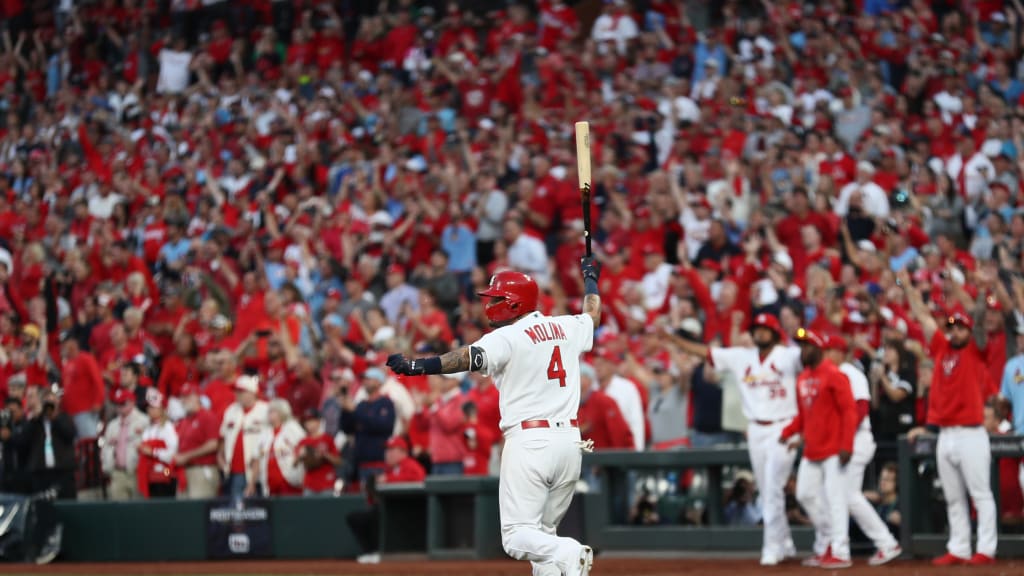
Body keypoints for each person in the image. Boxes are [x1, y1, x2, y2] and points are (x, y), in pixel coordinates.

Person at [387, 263, 602, 576]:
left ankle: (570, 552)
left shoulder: (508, 337)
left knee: (517, 537)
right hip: (570, 443)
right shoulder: (566, 326)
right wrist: (591, 281)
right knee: (543, 537)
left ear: (514, 303)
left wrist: (418, 366)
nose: (489, 304)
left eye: (497, 299)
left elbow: (464, 358)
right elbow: (592, 314)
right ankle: (562, 556)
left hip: (531, 441)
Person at [670, 313, 799, 565]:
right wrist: (673, 340)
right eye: (757, 328)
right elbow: (705, 353)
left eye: (764, 328)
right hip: (756, 429)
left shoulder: (788, 355)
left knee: (772, 486)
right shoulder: (742, 357)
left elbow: (814, 357)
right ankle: (785, 542)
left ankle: (772, 546)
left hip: (784, 426)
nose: (759, 332)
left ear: (774, 332)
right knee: (767, 488)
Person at [902, 267, 997, 566]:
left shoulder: (975, 350)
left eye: (960, 327)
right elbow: (924, 318)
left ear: (968, 331)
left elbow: (980, 320)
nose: (954, 331)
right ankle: (959, 547)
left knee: (980, 495)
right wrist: (906, 286)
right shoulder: (942, 348)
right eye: (952, 327)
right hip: (946, 433)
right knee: (954, 497)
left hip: (971, 432)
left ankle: (986, 549)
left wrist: (981, 289)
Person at [778, 329, 857, 569]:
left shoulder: (834, 374)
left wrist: (847, 445)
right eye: (801, 346)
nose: (803, 351)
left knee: (836, 499)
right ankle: (827, 542)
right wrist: (787, 431)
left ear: (818, 348)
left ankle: (841, 551)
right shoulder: (803, 377)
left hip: (834, 448)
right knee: (804, 494)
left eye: (807, 346)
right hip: (812, 449)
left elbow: (849, 411)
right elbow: (803, 416)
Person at [824, 335, 902, 565]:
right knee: (845, 496)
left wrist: (842, 438)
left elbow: (860, 408)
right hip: (848, 440)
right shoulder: (834, 375)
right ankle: (881, 543)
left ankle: (885, 543)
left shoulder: (850, 372)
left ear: (842, 353)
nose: (827, 355)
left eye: (831, 350)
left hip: (856, 439)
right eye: (826, 350)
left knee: (848, 496)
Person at [346, 436, 427, 565]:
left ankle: (381, 552)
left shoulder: (411, 465)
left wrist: (387, 480)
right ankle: (371, 551)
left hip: (411, 511)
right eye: (386, 450)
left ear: (403, 452)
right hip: (392, 509)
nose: (387, 454)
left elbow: (417, 479)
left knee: (377, 514)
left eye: (391, 450)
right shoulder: (390, 469)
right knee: (356, 517)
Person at [220, 374, 270, 500]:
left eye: (241, 391)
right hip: (233, 472)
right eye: (236, 391)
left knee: (260, 511)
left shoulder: (266, 410)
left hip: (261, 471)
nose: (237, 394)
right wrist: (221, 460)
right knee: (237, 513)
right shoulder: (231, 410)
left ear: (252, 392)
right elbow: (222, 438)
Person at [25, 386, 77, 499]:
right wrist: (35, 417)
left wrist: (55, 418)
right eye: (46, 402)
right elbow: (24, 441)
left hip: (62, 472)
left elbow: (70, 434)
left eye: (52, 401)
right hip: (41, 473)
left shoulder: (64, 418)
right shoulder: (35, 421)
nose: (49, 406)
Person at [173, 383, 221, 499]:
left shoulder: (207, 416)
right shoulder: (184, 420)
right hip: (184, 471)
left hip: (202, 469)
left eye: (187, 396)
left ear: (197, 397)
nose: (184, 400)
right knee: (183, 511)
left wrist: (186, 456)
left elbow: (213, 444)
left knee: (198, 510)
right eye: (182, 397)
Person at [100, 387, 149, 500]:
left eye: (122, 403)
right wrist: (107, 467)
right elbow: (105, 448)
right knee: (119, 512)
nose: (119, 407)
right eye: (117, 403)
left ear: (132, 402)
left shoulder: (144, 421)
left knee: (139, 510)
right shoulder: (112, 425)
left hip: (137, 473)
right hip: (117, 473)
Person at [252, 399, 305, 497]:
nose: (270, 414)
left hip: (289, 479)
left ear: (282, 412)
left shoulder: (292, 428)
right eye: (269, 411)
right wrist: (251, 483)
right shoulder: (265, 432)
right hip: (269, 482)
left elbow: (303, 449)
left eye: (273, 411)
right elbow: (257, 458)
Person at [137, 390, 179, 498]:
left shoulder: (168, 427)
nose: (149, 410)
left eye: (153, 407)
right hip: (150, 476)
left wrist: (153, 452)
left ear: (161, 409)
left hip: (165, 473)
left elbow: (173, 453)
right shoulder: (148, 429)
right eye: (148, 407)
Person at [296, 409, 340, 495]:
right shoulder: (303, 441)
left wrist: (324, 455)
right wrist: (301, 456)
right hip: (309, 484)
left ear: (319, 421)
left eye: (312, 420)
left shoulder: (327, 439)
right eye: (307, 421)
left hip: (326, 482)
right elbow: (294, 463)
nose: (309, 424)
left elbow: (338, 461)